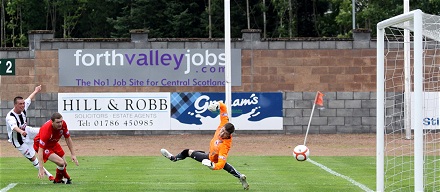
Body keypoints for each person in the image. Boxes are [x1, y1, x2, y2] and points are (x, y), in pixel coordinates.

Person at [160, 101, 249, 190]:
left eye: (224, 133)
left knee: (188, 152)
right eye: (222, 130)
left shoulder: (224, 146)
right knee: (227, 167)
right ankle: (240, 176)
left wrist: (212, 166)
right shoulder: (224, 123)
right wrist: (217, 105)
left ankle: (173, 158)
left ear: (228, 135)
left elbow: (221, 164)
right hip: (210, 154)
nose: (221, 133)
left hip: (212, 159)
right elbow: (224, 108)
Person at [5, 85, 54, 181]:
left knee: (43, 130)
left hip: (26, 131)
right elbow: (14, 127)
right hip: (18, 141)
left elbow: (29, 98)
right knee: (32, 158)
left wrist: (36, 91)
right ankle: (49, 175)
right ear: (15, 105)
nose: (23, 105)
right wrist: (21, 131)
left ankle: (50, 146)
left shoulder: (23, 108)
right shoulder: (10, 116)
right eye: (20, 104)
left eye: (23, 103)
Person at [34, 112, 79, 184]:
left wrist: (73, 154)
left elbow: (68, 138)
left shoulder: (63, 124)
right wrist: (41, 168)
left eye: (61, 121)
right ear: (52, 122)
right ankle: (67, 178)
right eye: (57, 122)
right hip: (43, 146)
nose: (60, 124)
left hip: (53, 143)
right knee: (61, 163)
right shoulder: (46, 130)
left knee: (64, 164)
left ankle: (57, 180)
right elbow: (40, 149)